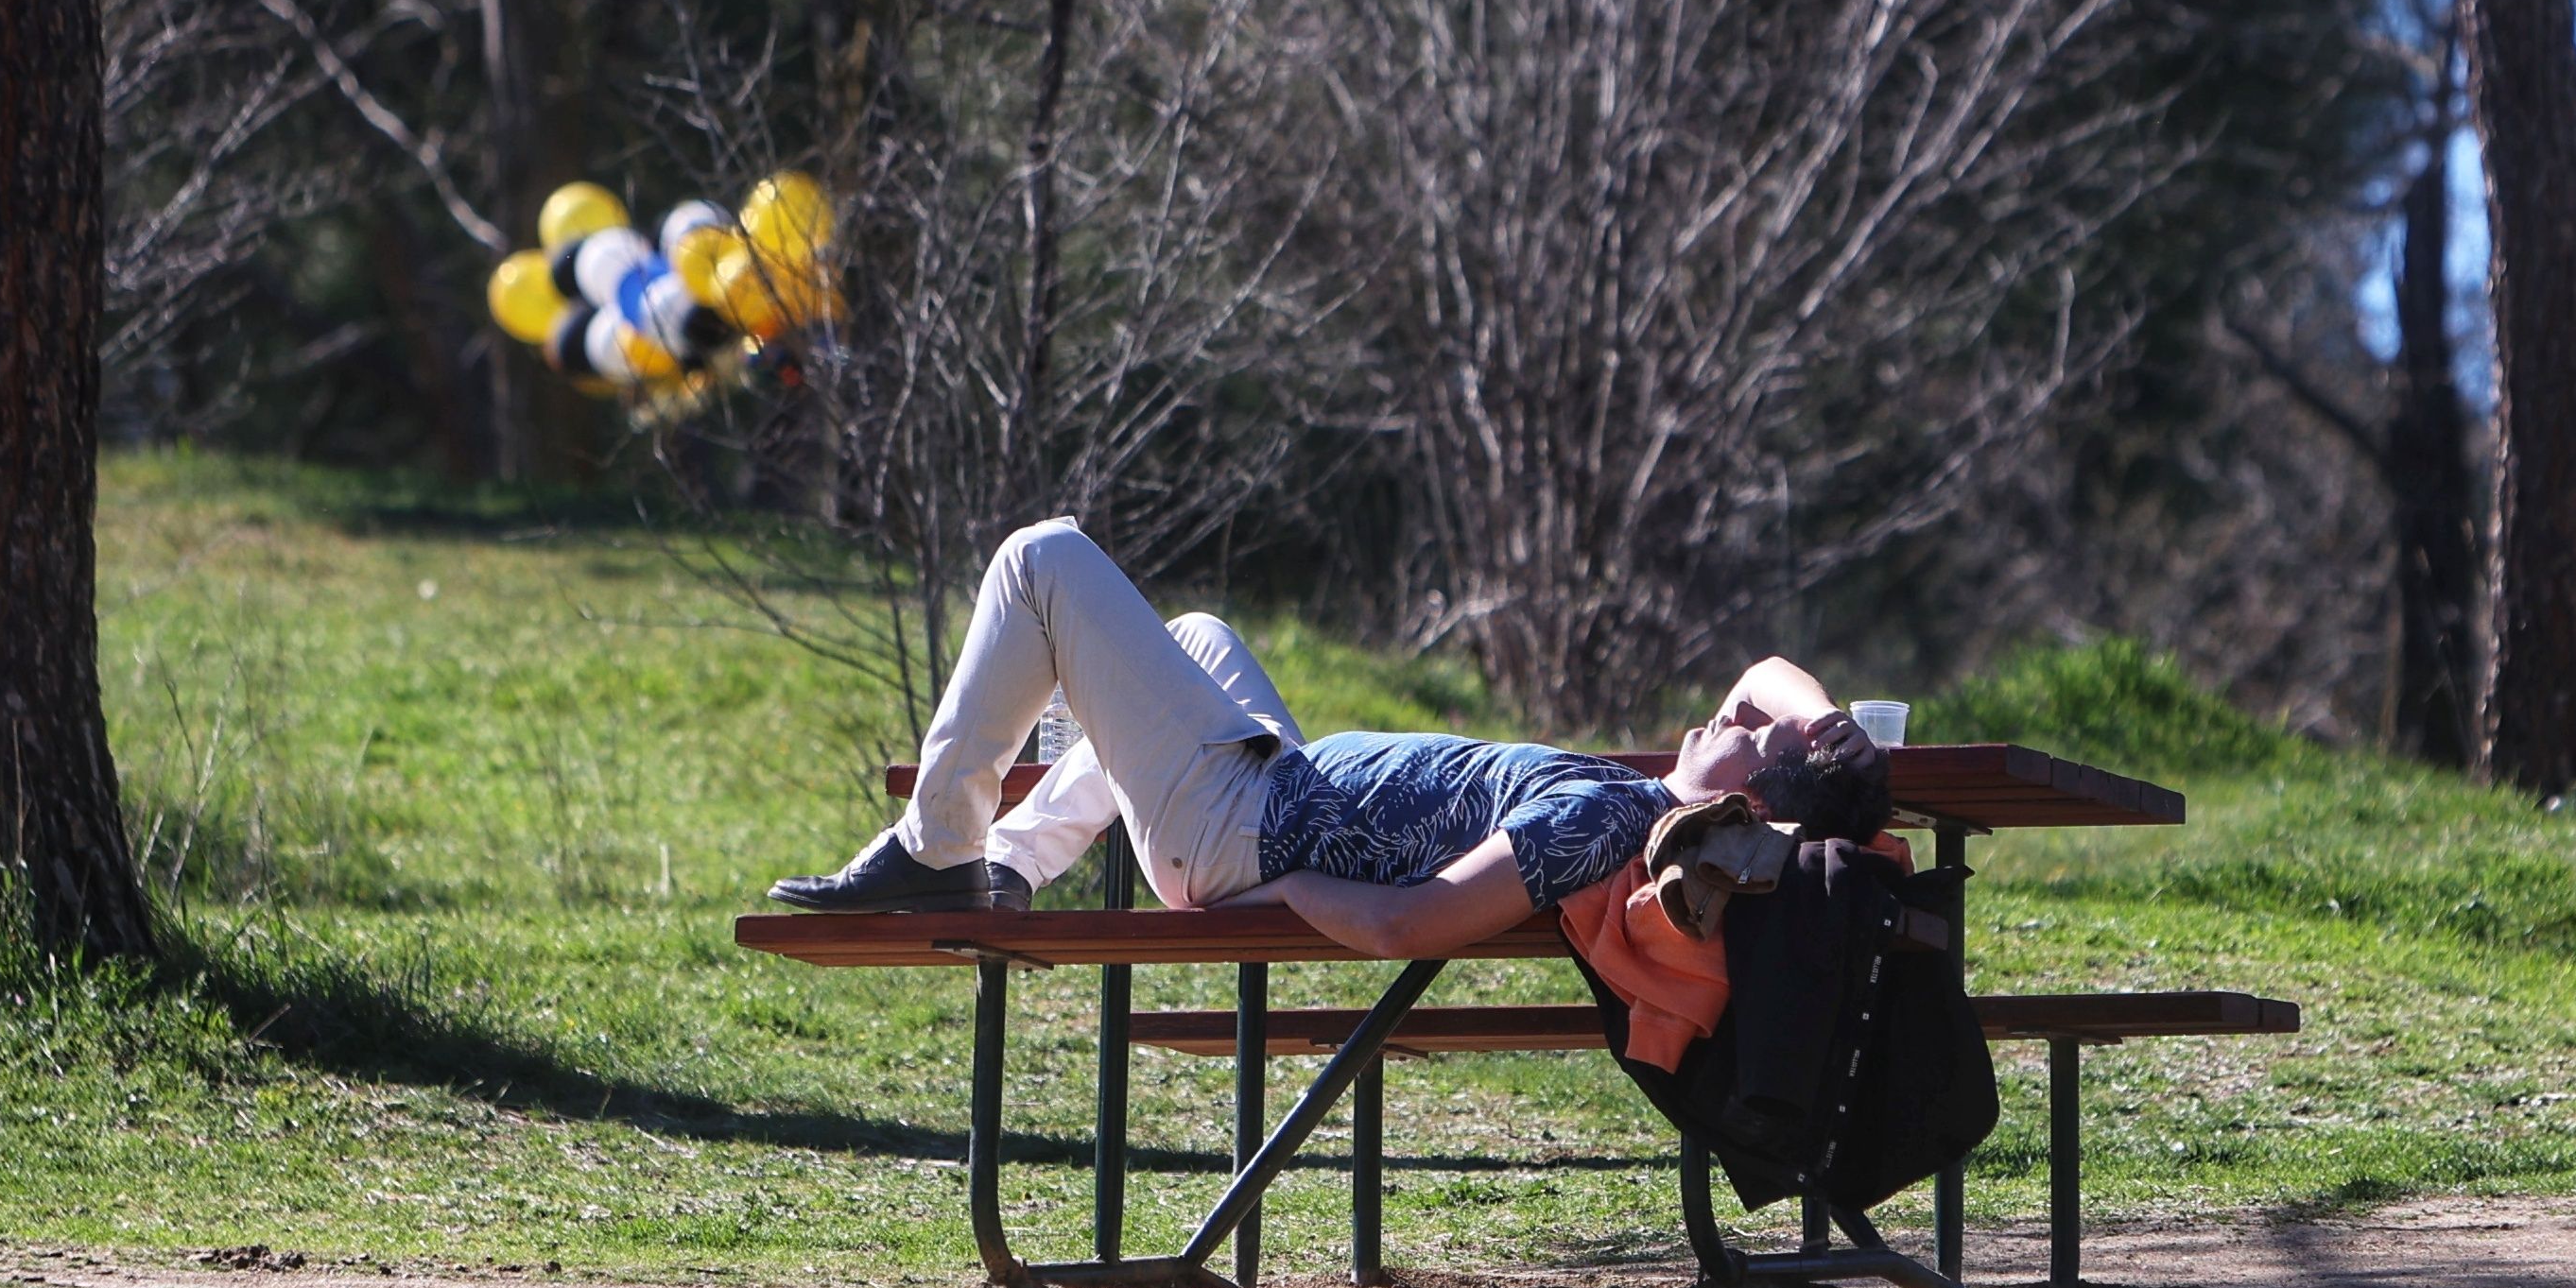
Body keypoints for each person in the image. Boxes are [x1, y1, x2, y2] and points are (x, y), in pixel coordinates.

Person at [769, 519, 1887, 957]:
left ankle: (940, 846)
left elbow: (1415, 920)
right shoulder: (1636, 797)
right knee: (1197, 634)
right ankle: (1009, 862)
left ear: (1747, 808)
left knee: (1042, 560)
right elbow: (1763, 676)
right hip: (1271, 785)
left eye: (1751, 736)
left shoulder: (1602, 813)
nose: (1733, 710)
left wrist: (1286, 884)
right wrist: (1825, 725)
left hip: (1240, 831)